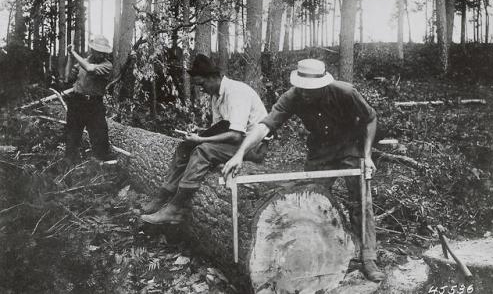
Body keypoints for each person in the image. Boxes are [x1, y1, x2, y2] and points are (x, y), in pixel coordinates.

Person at [222, 58, 385, 282]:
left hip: (350, 147)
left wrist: (367, 156)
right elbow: (264, 125)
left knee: (361, 201)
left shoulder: (345, 92)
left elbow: (370, 118)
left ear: (323, 84)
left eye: (312, 90)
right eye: (303, 89)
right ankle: (314, 254)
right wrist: (239, 154)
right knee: (310, 201)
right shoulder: (292, 97)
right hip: (320, 151)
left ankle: (368, 257)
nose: (306, 94)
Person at [141, 54, 268, 224]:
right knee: (186, 146)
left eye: (202, 84)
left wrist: (201, 140)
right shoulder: (216, 96)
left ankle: (175, 209)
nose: (202, 89)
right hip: (238, 140)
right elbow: (222, 127)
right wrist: (200, 133)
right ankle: (164, 194)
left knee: (203, 150)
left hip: (254, 146)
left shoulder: (236, 92)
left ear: (214, 77)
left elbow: (236, 134)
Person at [63, 34, 116, 166]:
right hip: (77, 102)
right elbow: (67, 77)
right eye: (99, 52)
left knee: (100, 136)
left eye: (104, 53)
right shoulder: (82, 62)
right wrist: (70, 56)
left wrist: (74, 52)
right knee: (72, 136)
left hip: (94, 104)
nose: (102, 55)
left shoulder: (107, 65)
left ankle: (100, 167)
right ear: (93, 50)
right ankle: (69, 167)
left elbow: (90, 68)